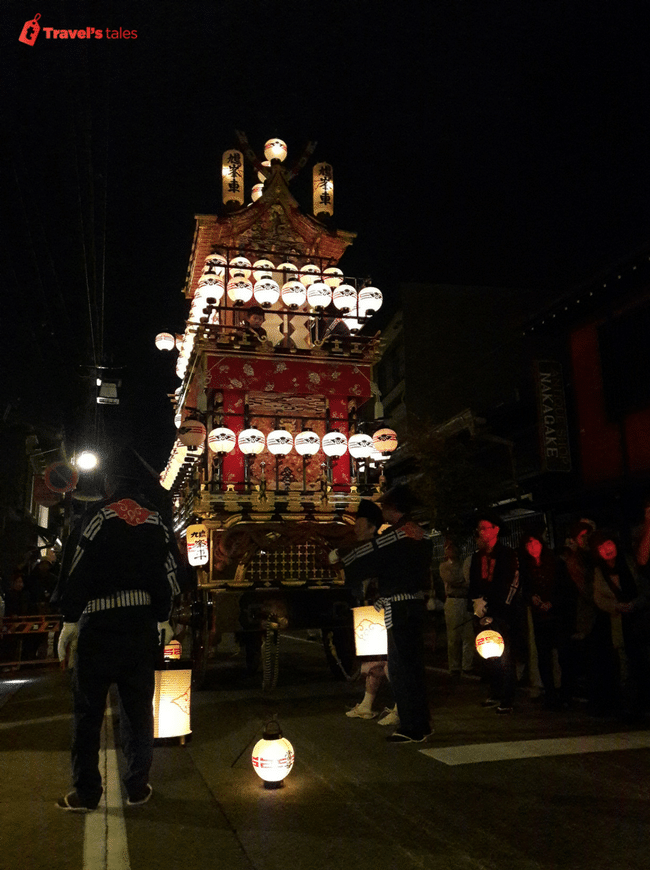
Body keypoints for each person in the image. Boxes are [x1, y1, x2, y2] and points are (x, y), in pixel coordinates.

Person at [56, 450, 180, 812]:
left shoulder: (97, 515)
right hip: (140, 627)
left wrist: (69, 619)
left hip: (100, 628)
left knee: (88, 714)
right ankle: (137, 786)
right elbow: (169, 572)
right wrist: (163, 616)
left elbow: (77, 569)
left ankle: (87, 792)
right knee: (138, 711)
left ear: (109, 483)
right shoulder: (156, 520)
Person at [338, 485, 433, 743]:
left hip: (398, 607)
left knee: (401, 668)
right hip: (414, 604)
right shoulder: (422, 534)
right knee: (414, 667)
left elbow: (370, 554)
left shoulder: (396, 536)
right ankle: (422, 723)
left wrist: (340, 557)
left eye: (386, 507)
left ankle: (411, 727)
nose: (384, 512)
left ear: (393, 508)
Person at [344, 499, 395, 722]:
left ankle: (402, 706)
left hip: (384, 610)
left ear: (372, 526)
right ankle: (367, 704)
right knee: (375, 660)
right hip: (368, 610)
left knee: (391, 661)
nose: (355, 526)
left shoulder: (380, 549)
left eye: (360, 521)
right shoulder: (363, 549)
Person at [591, 530, 650, 721]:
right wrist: (617, 606)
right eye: (601, 547)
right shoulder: (599, 572)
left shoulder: (631, 562)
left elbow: (645, 589)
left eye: (608, 544)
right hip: (619, 623)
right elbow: (599, 598)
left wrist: (635, 604)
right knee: (625, 666)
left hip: (641, 621)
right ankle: (631, 708)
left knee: (643, 662)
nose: (606, 549)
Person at [468, 511, 520, 714]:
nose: (480, 533)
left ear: (495, 530)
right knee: (488, 654)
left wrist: (496, 607)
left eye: (484, 528)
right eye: (479, 529)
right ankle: (495, 691)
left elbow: (510, 585)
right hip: (481, 611)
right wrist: (475, 603)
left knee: (505, 655)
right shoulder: (475, 557)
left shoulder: (507, 554)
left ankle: (507, 698)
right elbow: (473, 584)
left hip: (503, 612)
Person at [518, 528, 576, 709]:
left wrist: (553, 602)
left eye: (535, 542)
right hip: (539, 617)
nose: (532, 547)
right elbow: (524, 590)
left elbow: (566, 589)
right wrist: (532, 598)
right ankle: (550, 694)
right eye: (528, 544)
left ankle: (566, 693)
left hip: (557, 615)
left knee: (564, 655)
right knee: (543, 656)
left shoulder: (556, 563)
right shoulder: (526, 567)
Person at [439, 539, 475, 677]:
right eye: (449, 548)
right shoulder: (444, 566)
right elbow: (453, 580)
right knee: (453, 635)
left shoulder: (463, 564)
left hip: (465, 600)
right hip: (453, 600)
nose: (451, 551)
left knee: (468, 635)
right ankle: (454, 666)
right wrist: (465, 583)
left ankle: (467, 665)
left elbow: (463, 580)